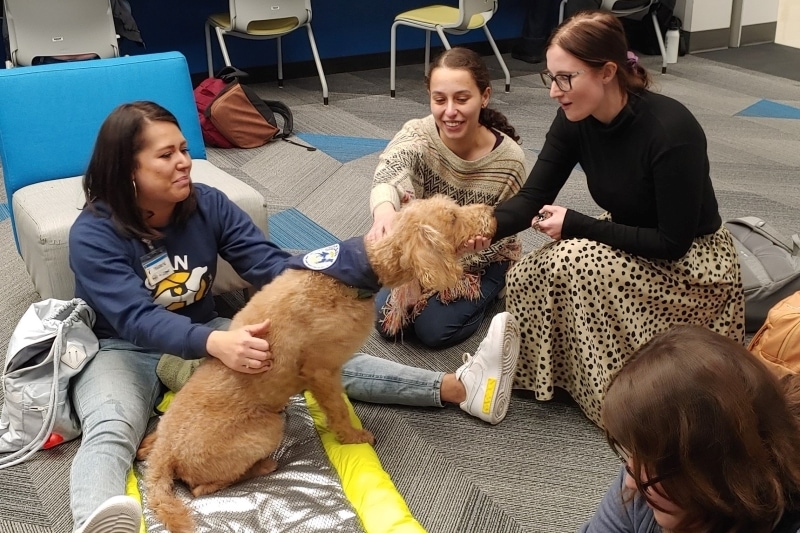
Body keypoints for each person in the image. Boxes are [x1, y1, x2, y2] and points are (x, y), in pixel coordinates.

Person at [69, 100, 519, 532]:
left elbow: (268, 264)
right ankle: (99, 522)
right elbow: (134, 318)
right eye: (166, 155)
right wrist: (216, 344)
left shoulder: (206, 203)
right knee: (111, 425)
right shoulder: (92, 234)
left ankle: (458, 387)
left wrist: (357, 259)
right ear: (128, 171)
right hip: (123, 347)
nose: (184, 161)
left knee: (325, 356)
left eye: (184, 149)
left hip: (206, 331)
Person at [477, 10, 745, 426]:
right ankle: (551, 377)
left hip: (692, 266)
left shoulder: (671, 130)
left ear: (606, 72)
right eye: (552, 78)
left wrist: (577, 226)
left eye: (565, 78)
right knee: (527, 273)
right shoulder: (574, 118)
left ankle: (622, 403)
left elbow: (673, 243)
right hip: (628, 237)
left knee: (572, 260)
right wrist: (481, 229)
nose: (555, 92)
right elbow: (533, 196)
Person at [368, 46, 527, 349]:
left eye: (462, 99)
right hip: (427, 251)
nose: (450, 111)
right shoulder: (418, 134)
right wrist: (386, 212)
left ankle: (493, 293)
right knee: (385, 323)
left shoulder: (511, 160)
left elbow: (506, 229)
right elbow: (390, 170)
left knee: (433, 331)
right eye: (439, 100)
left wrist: (468, 250)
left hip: (482, 259)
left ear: (485, 96)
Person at [582, 325, 800, 532]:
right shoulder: (646, 477)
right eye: (633, 454)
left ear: (722, 470)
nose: (632, 482)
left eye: (657, 465)